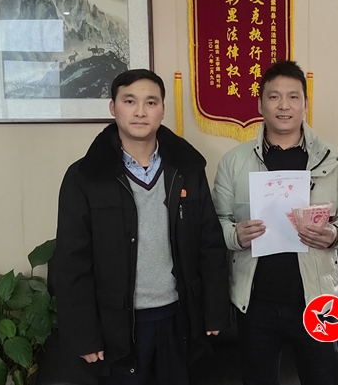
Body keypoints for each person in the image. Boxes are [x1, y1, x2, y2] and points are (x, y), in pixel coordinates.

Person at [52, 68, 229, 385]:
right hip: (117, 324)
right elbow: (71, 261)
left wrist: (214, 311)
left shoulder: (187, 170)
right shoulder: (85, 176)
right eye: (129, 101)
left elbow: (210, 243)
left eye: (151, 102)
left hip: (178, 315)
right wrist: (84, 334)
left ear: (162, 109)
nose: (140, 111)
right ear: (113, 108)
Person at [212, 60, 338, 385]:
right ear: (260, 104)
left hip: (318, 303)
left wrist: (334, 235)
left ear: (305, 104)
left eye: (293, 97)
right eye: (274, 97)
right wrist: (236, 235)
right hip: (255, 304)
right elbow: (215, 225)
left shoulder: (333, 160)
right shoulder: (234, 162)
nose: (284, 105)